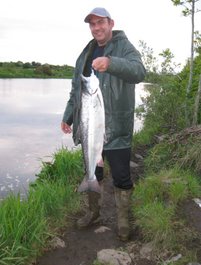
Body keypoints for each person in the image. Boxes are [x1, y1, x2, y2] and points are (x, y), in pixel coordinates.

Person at [61, 7, 146, 241]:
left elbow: (139, 72)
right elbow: (76, 90)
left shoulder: (124, 47)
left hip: (117, 129)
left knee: (121, 176)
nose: (97, 28)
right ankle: (94, 212)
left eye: (101, 23)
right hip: (90, 127)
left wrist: (111, 62)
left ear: (111, 23)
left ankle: (123, 221)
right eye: (92, 24)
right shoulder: (85, 54)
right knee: (93, 172)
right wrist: (68, 116)